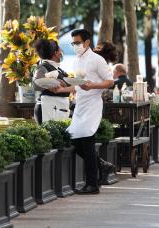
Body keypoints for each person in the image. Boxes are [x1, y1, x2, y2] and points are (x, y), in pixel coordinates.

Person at [51, 29, 115, 194]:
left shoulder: (97, 60)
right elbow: (78, 86)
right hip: (80, 105)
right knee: (74, 140)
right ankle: (102, 165)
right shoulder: (76, 61)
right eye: (73, 43)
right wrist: (62, 89)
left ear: (87, 42)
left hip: (92, 105)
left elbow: (110, 82)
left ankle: (92, 184)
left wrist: (92, 85)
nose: (75, 46)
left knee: (87, 143)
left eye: (78, 42)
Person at [33, 39, 70, 124]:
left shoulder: (57, 68)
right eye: (60, 50)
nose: (61, 52)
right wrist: (57, 82)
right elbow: (36, 84)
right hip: (49, 109)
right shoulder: (43, 67)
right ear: (56, 53)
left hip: (57, 109)